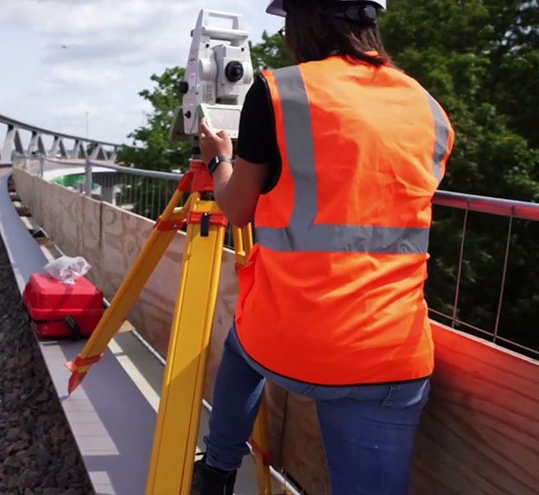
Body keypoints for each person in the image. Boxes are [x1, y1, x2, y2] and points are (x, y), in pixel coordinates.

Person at [194, 1, 455, 494]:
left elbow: (237, 208)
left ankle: (218, 471)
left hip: (288, 338)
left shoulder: (279, 90)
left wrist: (218, 160)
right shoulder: (429, 108)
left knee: (240, 347)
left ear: (305, 20)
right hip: (389, 354)